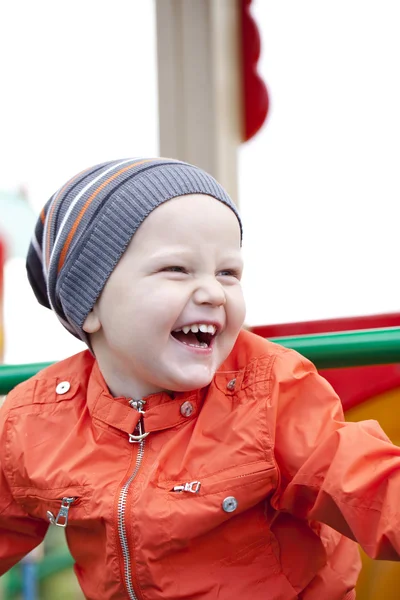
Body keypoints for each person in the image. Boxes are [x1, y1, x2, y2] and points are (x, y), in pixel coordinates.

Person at [0, 157, 399, 600]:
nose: (212, 292)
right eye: (177, 269)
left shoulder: (268, 391)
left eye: (228, 272)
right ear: (89, 305)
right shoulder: (37, 419)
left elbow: (363, 479)